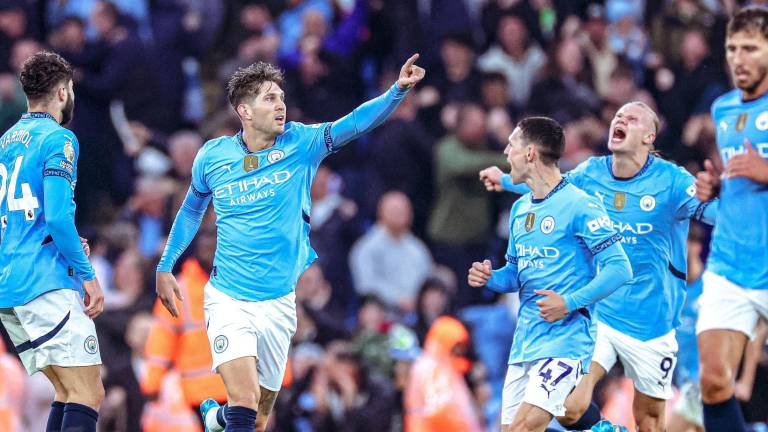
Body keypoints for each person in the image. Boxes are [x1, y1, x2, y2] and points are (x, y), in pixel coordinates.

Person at [155, 55, 425, 432]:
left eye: (281, 97)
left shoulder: (302, 142)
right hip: (229, 298)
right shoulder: (213, 156)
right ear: (244, 110)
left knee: (260, 414)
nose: (280, 105)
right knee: (245, 401)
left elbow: (355, 124)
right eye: (269, 98)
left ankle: (218, 418)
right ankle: (229, 415)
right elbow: (190, 211)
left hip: (280, 301)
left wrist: (396, 92)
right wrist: (165, 265)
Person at [480, 102, 717, 431]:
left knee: (649, 422)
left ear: (649, 136)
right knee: (568, 406)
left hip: (652, 320)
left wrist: (725, 194)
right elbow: (551, 187)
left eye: (631, 118)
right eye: (618, 116)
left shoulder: (673, 181)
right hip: (600, 311)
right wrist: (506, 180)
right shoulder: (591, 173)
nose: (620, 119)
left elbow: (717, 214)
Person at [468, 117, 632, 432]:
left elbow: (619, 268)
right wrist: (491, 277)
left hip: (567, 340)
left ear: (530, 153)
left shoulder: (581, 205)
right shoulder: (520, 210)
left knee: (523, 429)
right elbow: (515, 276)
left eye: (511, 145)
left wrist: (569, 302)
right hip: (526, 342)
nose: (505, 152)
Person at [0, 51, 105, 432]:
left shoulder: (6, 142)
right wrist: (87, 274)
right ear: (63, 92)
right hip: (43, 282)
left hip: (11, 284)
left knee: (67, 390)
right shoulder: (59, 139)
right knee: (88, 391)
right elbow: (59, 217)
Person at [693, 6, 768, 432]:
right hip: (730, 265)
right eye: (732, 49)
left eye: (751, 49)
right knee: (714, 382)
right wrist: (716, 187)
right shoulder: (723, 109)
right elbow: (741, 178)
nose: (739, 58)